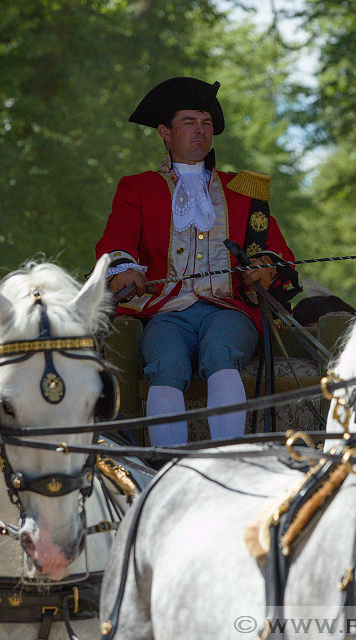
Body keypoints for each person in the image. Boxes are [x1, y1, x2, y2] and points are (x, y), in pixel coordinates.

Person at [95, 77, 296, 446]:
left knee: (220, 351)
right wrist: (124, 271)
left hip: (229, 307)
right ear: (164, 133)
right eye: (189, 122)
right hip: (165, 310)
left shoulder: (243, 189)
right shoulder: (137, 187)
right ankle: (168, 468)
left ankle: (227, 460)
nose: (200, 132)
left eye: (206, 124)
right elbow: (116, 244)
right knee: (165, 362)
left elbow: (275, 251)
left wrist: (264, 268)